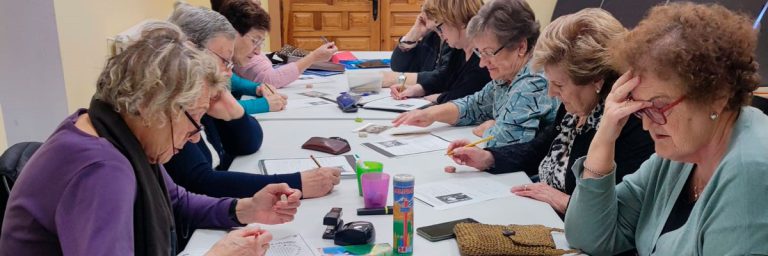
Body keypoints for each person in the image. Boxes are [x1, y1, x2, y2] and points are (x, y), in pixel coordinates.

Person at [0, 22, 301, 255]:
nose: (195, 137)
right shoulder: (102, 169)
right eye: (194, 120)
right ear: (155, 108)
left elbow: (176, 200)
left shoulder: (108, 127)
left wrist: (246, 209)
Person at [564, 3, 768, 255]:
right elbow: (589, 237)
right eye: (640, 108)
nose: (646, 124)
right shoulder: (679, 155)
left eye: (659, 106)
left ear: (717, 96)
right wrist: (605, 135)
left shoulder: (752, 174)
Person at [445, 9, 655, 214]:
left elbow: (619, 213)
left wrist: (564, 201)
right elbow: (539, 149)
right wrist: (488, 158)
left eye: (559, 85)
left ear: (596, 81)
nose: (551, 93)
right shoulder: (577, 107)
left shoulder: (631, 126)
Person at [166, 3, 340, 202]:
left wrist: (235, 112)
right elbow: (200, 182)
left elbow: (247, 145)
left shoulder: (209, 94)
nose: (229, 73)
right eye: (225, 61)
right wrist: (296, 183)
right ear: (190, 52)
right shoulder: (171, 105)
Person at [392, 0, 559, 147]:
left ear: (521, 47)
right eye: (481, 53)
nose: (482, 63)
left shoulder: (533, 81)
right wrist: (430, 114)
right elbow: (474, 105)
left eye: (489, 53)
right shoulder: (508, 75)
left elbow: (508, 141)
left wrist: (492, 128)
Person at [214, 0, 339, 89]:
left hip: (277, 58)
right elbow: (271, 80)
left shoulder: (228, 58)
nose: (259, 11)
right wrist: (313, 57)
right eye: (254, 41)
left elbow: (236, 83)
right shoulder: (216, 63)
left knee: (287, 51)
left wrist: (256, 90)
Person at [388, 0, 491, 104]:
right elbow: (444, 77)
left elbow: (466, 95)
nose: (440, 35)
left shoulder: (484, 53)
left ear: (455, 19)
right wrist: (417, 89)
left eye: (439, 28)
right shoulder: (459, 48)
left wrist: (437, 98)